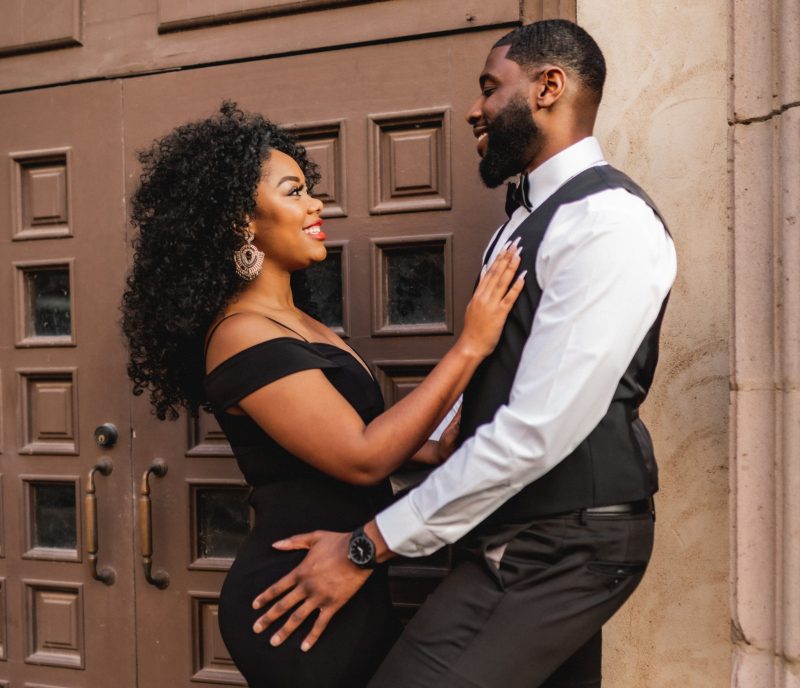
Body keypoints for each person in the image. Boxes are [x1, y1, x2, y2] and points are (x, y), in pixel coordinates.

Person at [250, 19, 678, 688]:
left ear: (549, 87)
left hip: (560, 546)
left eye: (489, 88)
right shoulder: (523, 221)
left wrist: (366, 546)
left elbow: (535, 430)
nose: (474, 110)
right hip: (515, 534)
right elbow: (510, 386)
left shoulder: (607, 223)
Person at [120, 102, 525, 687]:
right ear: (241, 222)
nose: (315, 205)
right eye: (294, 192)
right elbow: (360, 456)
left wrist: (431, 449)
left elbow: (328, 440)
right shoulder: (240, 333)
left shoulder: (298, 322)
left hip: (345, 574)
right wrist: (471, 346)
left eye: (309, 190)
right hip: (296, 591)